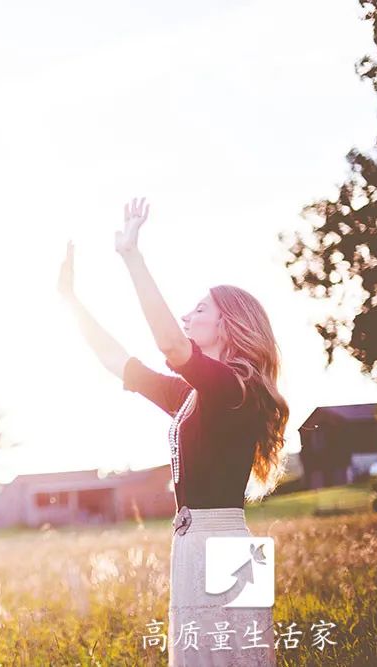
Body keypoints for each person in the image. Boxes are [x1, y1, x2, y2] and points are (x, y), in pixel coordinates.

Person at [57, 197, 287, 666]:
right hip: (193, 542)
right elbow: (117, 361)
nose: (187, 316)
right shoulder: (193, 394)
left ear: (230, 324)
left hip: (223, 543)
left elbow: (169, 343)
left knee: (233, 659)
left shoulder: (236, 387)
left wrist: (133, 258)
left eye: (199, 310)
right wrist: (70, 302)